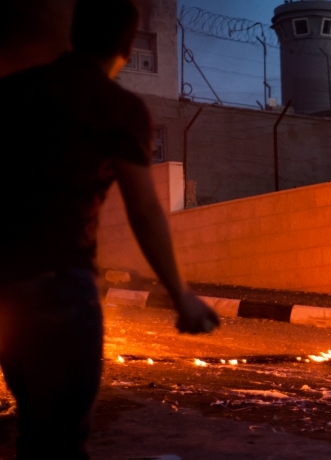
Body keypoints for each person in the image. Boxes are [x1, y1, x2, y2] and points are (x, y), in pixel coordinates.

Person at [0, 0, 220, 457]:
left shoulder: (18, 90)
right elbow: (144, 208)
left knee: (31, 431)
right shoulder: (116, 107)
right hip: (62, 288)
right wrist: (179, 294)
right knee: (60, 440)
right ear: (126, 44)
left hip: (8, 289)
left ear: (73, 34)